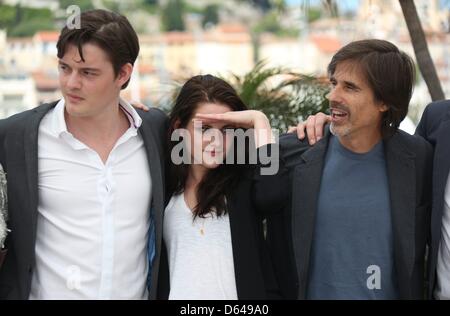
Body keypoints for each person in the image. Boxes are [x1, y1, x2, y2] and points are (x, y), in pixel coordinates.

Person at [0, 9, 167, 299]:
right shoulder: (14, 137)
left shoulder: (155, 131)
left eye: (88, 73)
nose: (71, 83)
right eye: (65, 68)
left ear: (123, 74)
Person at [248, 39, 433, 299]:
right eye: (334, 83)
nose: (332, 97)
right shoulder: (293, 152)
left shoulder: (418, 158)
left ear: (384, 102)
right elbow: (237, 187)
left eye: (350, 88)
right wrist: (260, 124)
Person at [156, 74, 281, 300]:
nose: (216, 140)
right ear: (179, 127)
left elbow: (273, 195)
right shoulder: (164, 186)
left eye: (226, 130)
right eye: (204, 129)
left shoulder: (242, 180)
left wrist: (259, 121)